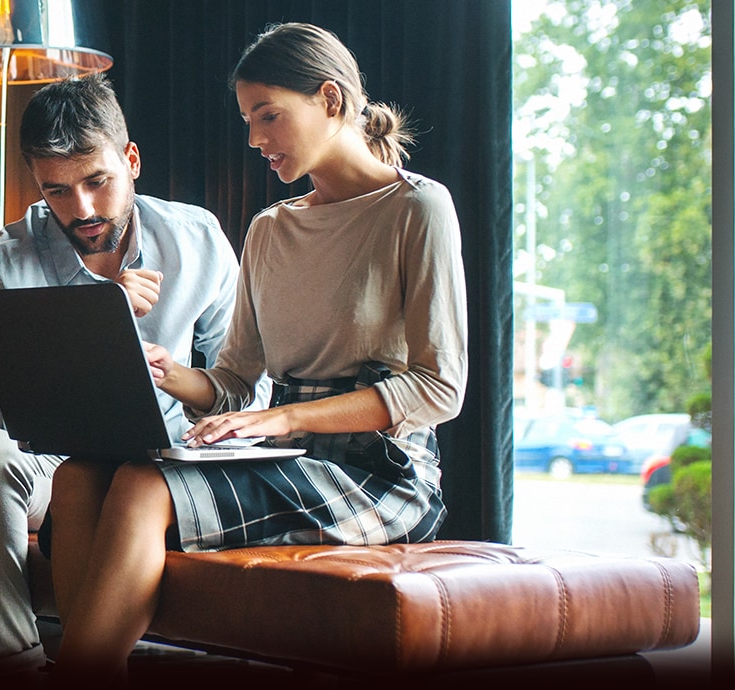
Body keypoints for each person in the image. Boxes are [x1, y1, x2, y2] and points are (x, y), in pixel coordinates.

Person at [45, 22, 468, 685]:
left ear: (330, 99)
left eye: (267, 116)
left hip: (380, 468)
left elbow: (439, 389)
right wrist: (166, 371)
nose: (253, 139)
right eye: (248, 119)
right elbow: (238, 383)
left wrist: (283, 420)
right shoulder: (271, 228)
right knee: (76, 477)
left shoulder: (417, 208)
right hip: (285, 450)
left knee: (141, 484)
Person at [0, 72, 257, 683]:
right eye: (57, 192)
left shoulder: (199, 241)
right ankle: (13, 662)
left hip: (164, 458)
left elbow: (242, 386)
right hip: (48, 462)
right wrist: (95, 315)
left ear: (131, 160)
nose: (82, 210)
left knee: (129, 482)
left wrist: (188, 393)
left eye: (97, 181)